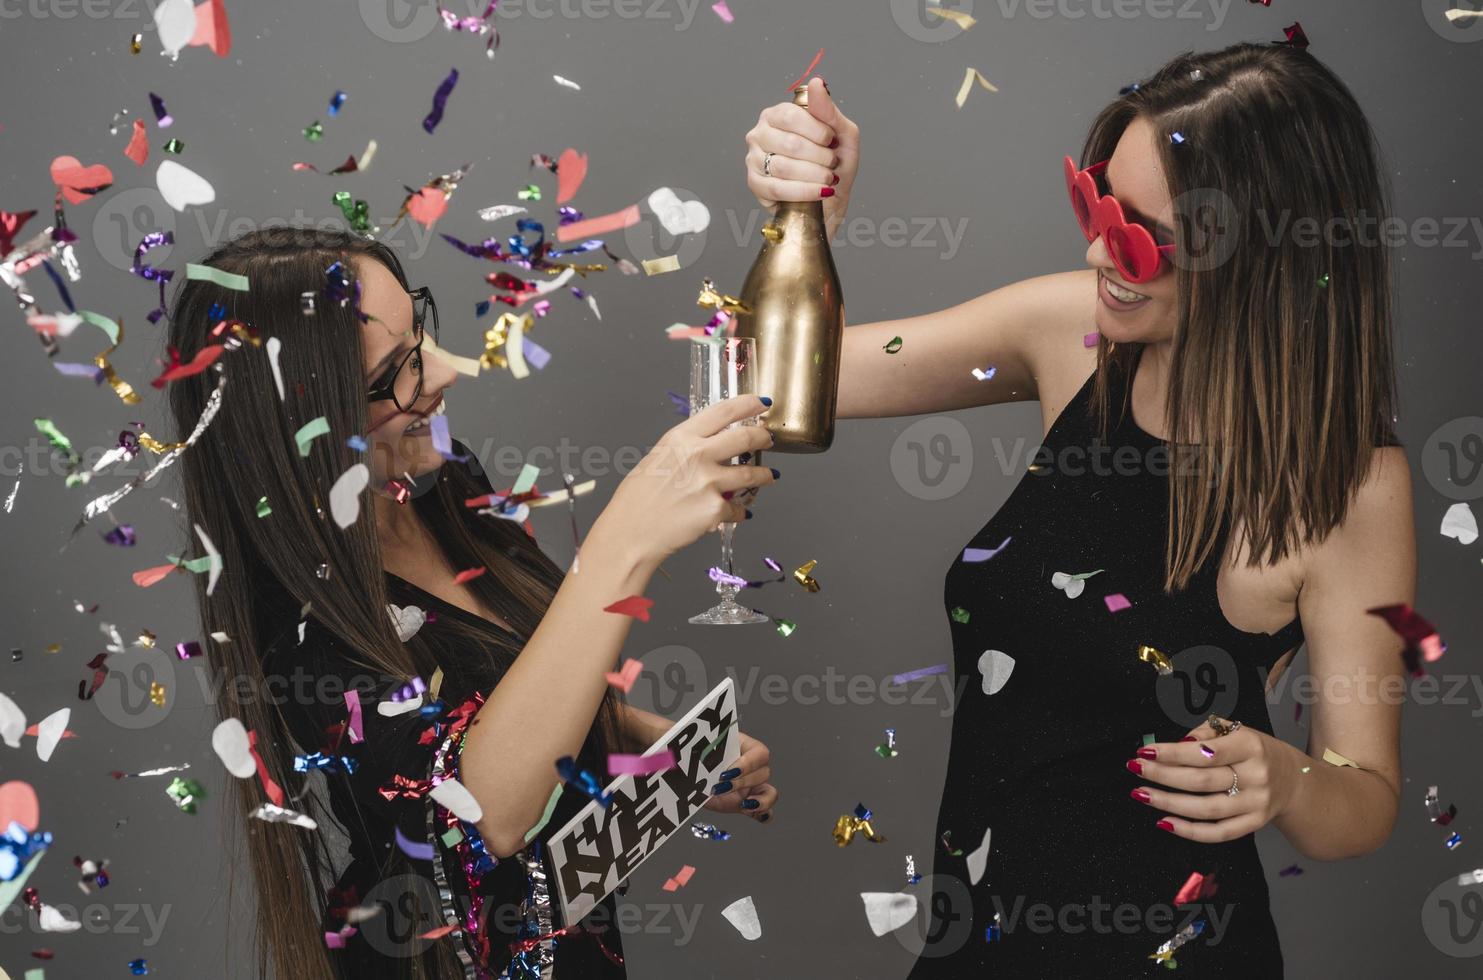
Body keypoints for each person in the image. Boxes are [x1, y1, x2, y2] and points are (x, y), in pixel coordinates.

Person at [744, 42, 1413, 976]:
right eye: (1095, 203)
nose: (1099, 249)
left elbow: (1364, 802)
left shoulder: (1347, 481)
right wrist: (806, 222)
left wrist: (1288, 776)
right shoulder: (1074, 335)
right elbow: (774, 387)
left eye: (1143, 236)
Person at [164, 227, 780, 979]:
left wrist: (668, 755)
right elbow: (483, 810)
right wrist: (625, 542)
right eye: (394, 372)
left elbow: (513, 699)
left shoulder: (442, 485)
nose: (444, 374)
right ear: (302, 422)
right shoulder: (296, 630)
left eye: (421, 336)